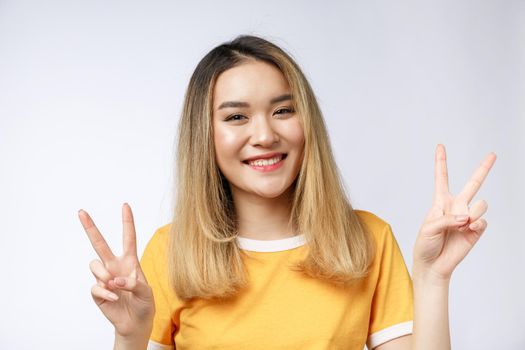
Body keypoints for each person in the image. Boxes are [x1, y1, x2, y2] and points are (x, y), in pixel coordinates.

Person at [78, 35, 497, 350]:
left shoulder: (367, 240)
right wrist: (129, 337)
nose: (264, 134)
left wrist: (433, 278)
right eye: (237, 116)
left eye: (283, 110)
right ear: (204, 135)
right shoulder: (172, 250)